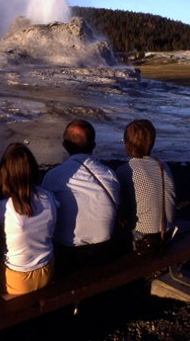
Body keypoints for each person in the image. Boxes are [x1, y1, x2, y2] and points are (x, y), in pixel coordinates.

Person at [41, 118, 121, 276]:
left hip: (67, 254)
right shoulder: (109, 174)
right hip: (104, 250)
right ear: (93, 147)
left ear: (64, 145)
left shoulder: (53, 176)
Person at [0, 143, 58, 298]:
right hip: (47, 271)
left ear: (4, 173)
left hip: (17, 280)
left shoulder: (1, 209)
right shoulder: (49, 197)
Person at [115, 119, 176, 254]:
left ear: (126, 143)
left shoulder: (125, 170)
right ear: (152, 142)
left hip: (143, 239)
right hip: (167, 232)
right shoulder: (162, 166)